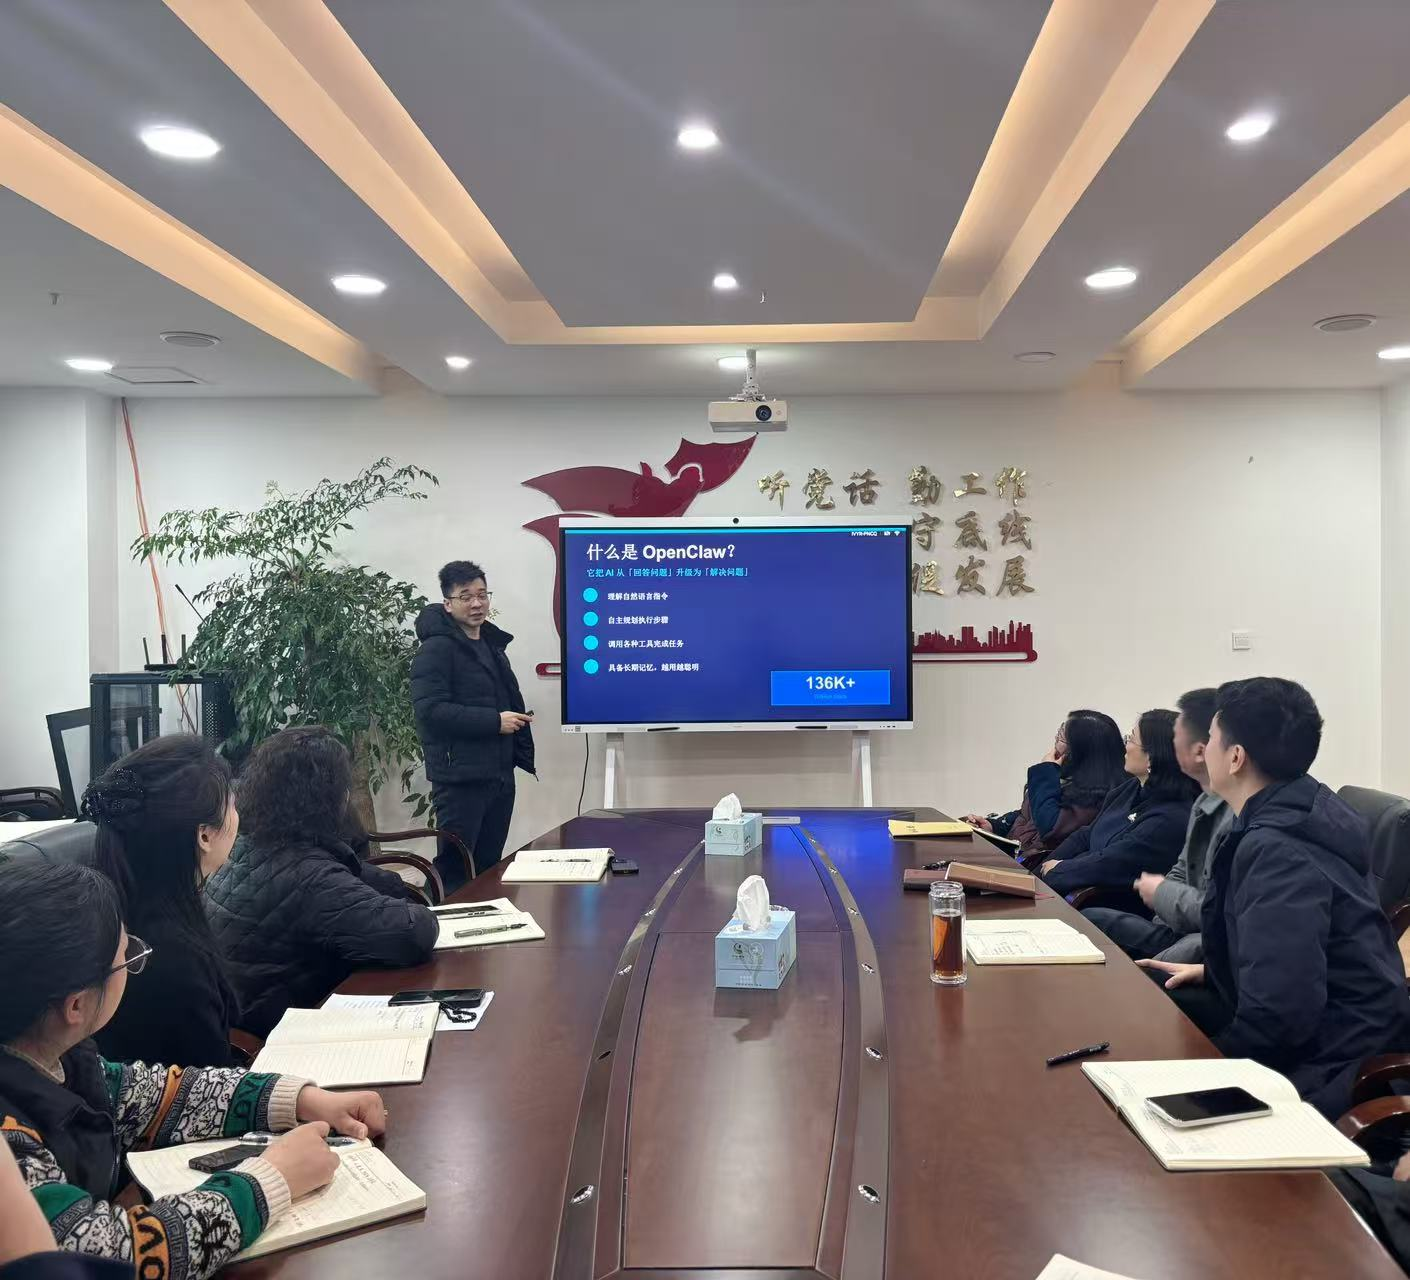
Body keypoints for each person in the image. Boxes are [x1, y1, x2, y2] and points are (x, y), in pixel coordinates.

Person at [0, 858, 387, 1280]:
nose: (131, 964)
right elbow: (103, 1258)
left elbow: (162, 1096)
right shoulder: (11, 1143)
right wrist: (270, 1181)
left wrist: (300, 1099)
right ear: (76, 1005)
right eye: (125, 958)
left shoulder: (63, 1058)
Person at [1140, 677, 1410, 1119]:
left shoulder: (1279, 849)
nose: (1204, 749)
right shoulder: (1294, 810)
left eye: (1212, 738)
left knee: (1145, 1093)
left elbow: (1280, 1018)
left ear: (1236, 757)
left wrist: (1200, 1081)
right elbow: (1295, 957)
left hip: (1331, 1058)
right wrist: (1218, 971)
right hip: (1320, 1022)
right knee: (1152, 1002)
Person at [204, 726, 438, 1037]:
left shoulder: (244, 846)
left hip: (240, 1015)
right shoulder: (309, 876)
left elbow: (364, 883)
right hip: (285, 1032)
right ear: (330, 798)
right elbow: (413, 933)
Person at [84, 736, 242, 1067]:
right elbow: (208, 1084)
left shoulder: (122, 912)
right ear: (204, 835)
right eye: (232, 804)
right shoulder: (173, 960)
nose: (237, 815)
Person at [411, 560, 536, 891]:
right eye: (466, 596)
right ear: (448, 603)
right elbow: (430, 710)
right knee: (455, 867)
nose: (477, 603)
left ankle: (483, 922)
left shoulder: (491, 643)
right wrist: (494, 722)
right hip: (460, 779)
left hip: (498, 773)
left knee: (488, 867)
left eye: (482, 594)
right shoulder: (436, 649)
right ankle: (437, 921)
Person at [1082, 688, 1233, 962]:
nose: (1172, 747)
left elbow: (1220, 912)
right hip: (1173, 923)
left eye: (1178, 737)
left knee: (1091, 921)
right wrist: (1164, 898)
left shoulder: (1231, 815)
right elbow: (1182, 869)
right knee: (1090, 919)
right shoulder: (1204, 802)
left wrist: (1162, 893)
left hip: (1202, 940)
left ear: (1200, 751)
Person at [1040, 709, 1198, 897]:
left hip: (1107, 904)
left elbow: (1111, 862)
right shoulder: (1130, 788)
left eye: (1131, 739)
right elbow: (1086, 834)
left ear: (1151, 757)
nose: (1125, 745)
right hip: (1074, 882)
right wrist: (1042, 871)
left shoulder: (1170, 818)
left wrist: (1058, 870)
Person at [963, 709, 1126, 863]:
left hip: (1035, 869)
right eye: (1060, 731)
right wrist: (995, 826)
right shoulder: (1067, 777)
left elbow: (1050, 828)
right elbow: (1027, 814)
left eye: (1062, 737)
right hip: (1016, 855)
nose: (1055, 740)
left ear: (1080, 752)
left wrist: (1046, 771)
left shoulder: (1096, 796)